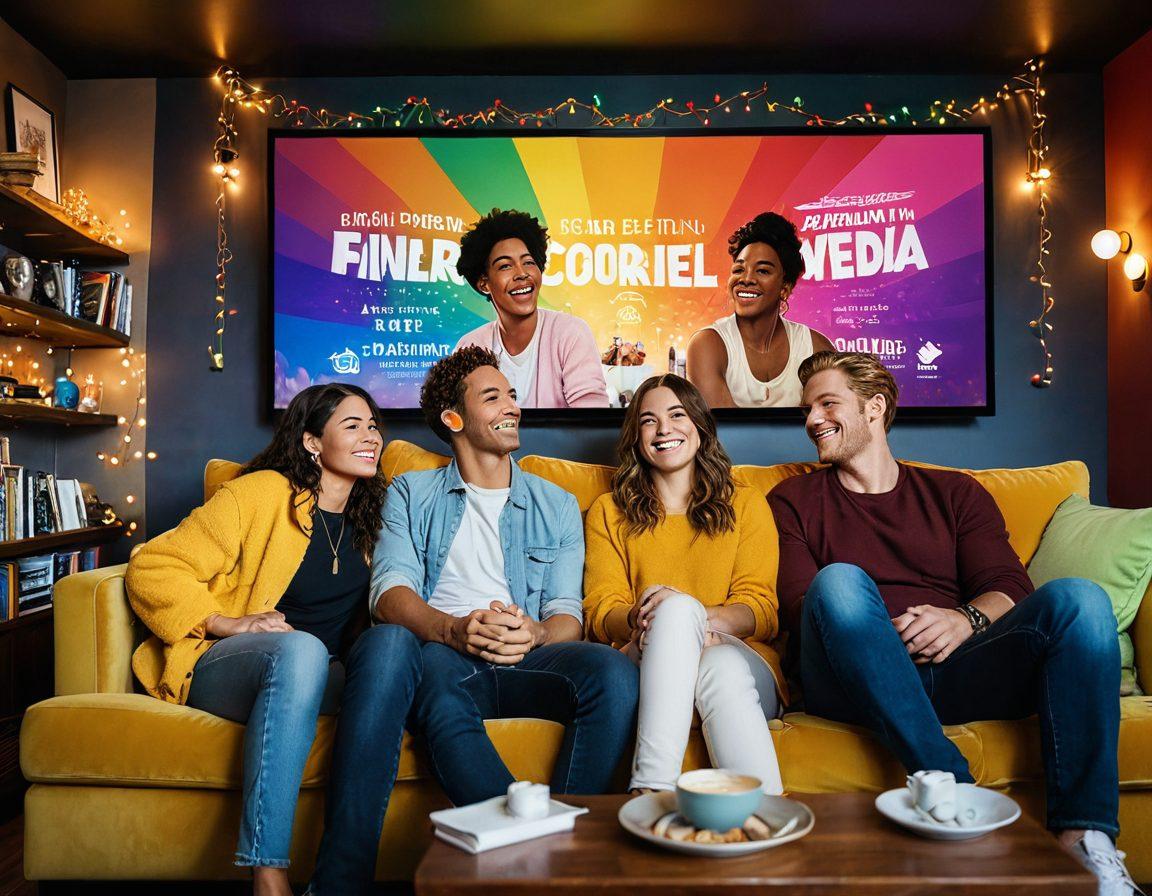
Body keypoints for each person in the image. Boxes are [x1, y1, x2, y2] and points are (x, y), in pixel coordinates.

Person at [767, 351, 1139, 896]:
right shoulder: (793, 500)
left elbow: (1010, 588)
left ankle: (1085, 841)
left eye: (827, 404)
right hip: (851, 676)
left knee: (1080, 600)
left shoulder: (955, 494)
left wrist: (963, 618)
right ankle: (955, 787)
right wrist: (881, 632)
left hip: (958, 669)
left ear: (875, 408)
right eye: (806, 409)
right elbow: (802, 607)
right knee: (839, 582)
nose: (812, 420)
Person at [127, 384, 420, 896]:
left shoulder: (373, 517)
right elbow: (151, 567)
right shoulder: (260, 494)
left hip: (315, 673)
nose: (370, 435)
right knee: (301, 648)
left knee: (386, 652)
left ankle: (340, 881)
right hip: (228, 666)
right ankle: (268, 873)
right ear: (312, 441)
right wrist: (224, 622)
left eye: (373, 425)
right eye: (352, 426)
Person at [371, 346, 637, 805]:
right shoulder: (410, 492)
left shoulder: (557, 505)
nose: (513, 407)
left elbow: (566, 615)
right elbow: (388, 592)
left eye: (512, 395)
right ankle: (518, 831)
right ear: (453, 419)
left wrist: (533, 633)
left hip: (528, 660)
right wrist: (455, 631)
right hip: (447, 654)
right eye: (493, 397)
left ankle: (569, 830)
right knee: (431, 675)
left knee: (613, 673)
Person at [584, 373, 784, 794]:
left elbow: (761, 610)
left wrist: (693, 623)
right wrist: (662, 621)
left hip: (740, 655)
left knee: (719, 658)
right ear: (636, 438)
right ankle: (766, 813)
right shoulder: (608, 511)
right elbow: (601, 613)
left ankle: (650, 788)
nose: (664, 430)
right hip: (644, 653)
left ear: (699, 425)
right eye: (648, 421)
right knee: (684, 625)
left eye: (677, 415)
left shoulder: (745, 504)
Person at [454, 208, 610, 409]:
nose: (522, 274)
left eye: (528, 262)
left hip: (564, 442)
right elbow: (463, 420)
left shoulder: (570, 333)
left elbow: (591, 423)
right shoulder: (471, 345)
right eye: (505, 266)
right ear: (484, 284)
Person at [687, 212, 834, 408]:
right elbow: (725, 430)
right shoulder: (708, 345)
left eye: (763, 270)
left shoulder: (816, 348)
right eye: (739, 270)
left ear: (785, 288)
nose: (746, 279)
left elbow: (831, 421)